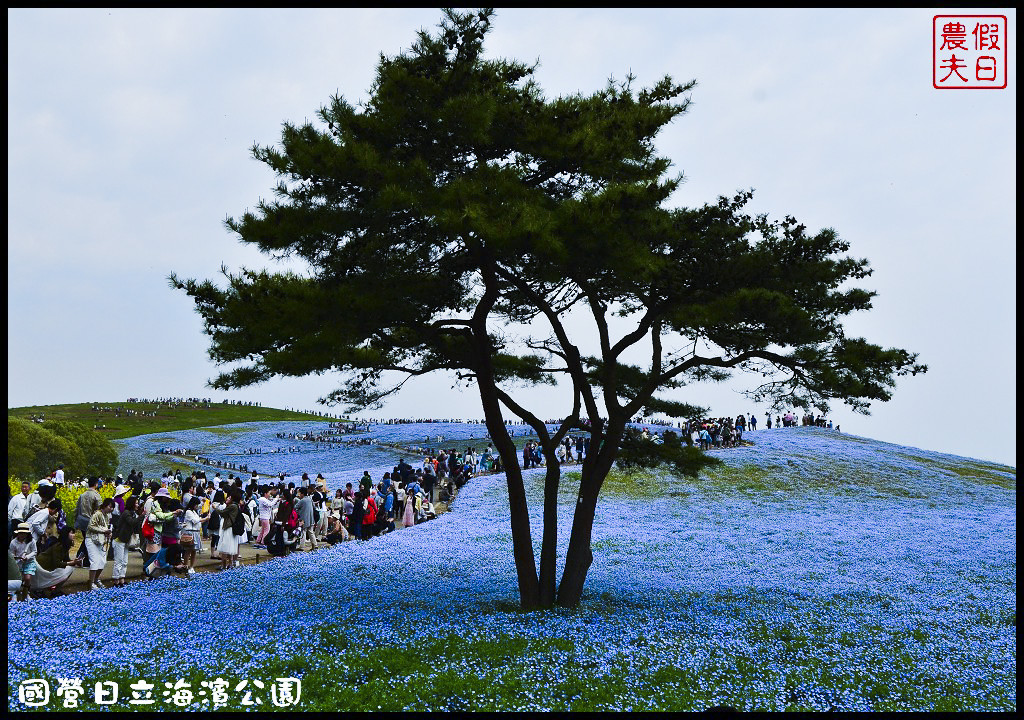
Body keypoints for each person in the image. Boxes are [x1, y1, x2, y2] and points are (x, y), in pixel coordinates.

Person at [111, 497, 142, 587]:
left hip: (125, 540)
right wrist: (142, 516)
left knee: (125, 561)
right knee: (119, 561)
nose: (137, 505)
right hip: (119, 540)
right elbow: (132, 522)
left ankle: (122, 579)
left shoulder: (132, 513)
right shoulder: (126, 513)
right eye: (136, 503)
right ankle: (116, 580)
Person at [85, 498, 115, 589]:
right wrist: (103, 531)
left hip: (101, 541)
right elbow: (90, 526)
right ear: (105, 505)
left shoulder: (107, 516)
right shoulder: (97, 514)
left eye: (112, 507)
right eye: (110, 506)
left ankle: (96, 579)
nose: (111, 509)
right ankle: (91, 582)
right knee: (95, 561)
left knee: (102, 561)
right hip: (91, 539)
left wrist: (107, 533)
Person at [181, 497, 209, 575]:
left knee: (194, 551)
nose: (197, 506)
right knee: (188, 551)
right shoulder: (188, 512)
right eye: (196, 504)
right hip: (190, 533)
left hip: (196, 532)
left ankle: (191, 566)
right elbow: (195, 520)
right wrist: (205, 519)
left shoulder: (194, 511)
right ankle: (186, 566)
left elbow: (198, 521)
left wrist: (203, 519)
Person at [9, 523, 37, 601]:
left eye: (24, 533)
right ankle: (16, 594)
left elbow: (35, 551)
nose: (22, 535)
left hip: (29, 562)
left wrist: (27, 557)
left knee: (27, 578)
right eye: (20, 533)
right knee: (19, 579)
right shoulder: (13, 542)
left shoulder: (31, 541)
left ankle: (26, 593)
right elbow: (12, 553)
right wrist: (16, 557)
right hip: (18, 563)